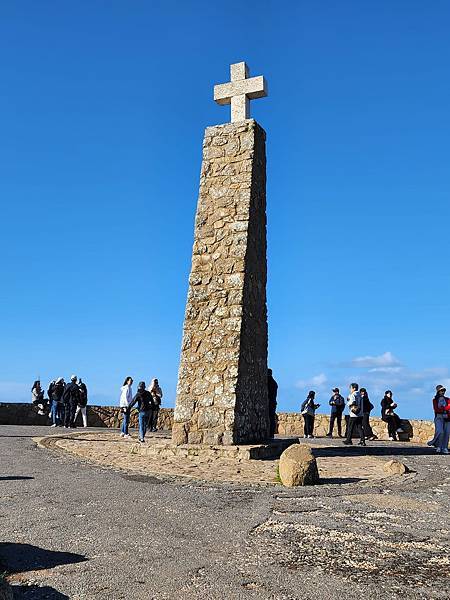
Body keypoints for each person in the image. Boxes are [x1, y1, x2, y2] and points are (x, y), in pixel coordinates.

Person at [427, 385, 449, 453]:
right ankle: (438, 446)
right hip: (439, 417)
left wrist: (444, 409)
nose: (443, 392)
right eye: (441, 391)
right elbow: (436, 409)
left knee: (447, 433)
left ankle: (445, 447)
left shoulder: (447, 399)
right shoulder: (435, 400)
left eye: (444, 390)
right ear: (438, 391)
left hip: (447, 417)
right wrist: (446, 408)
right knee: (440, 431)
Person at [267, 369, 278, 437]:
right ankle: (271, 434)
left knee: (271, 418)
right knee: (272, 418)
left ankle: (270, 433)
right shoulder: (274, 382)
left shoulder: (269, 382)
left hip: (270, 402)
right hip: (273, 402)